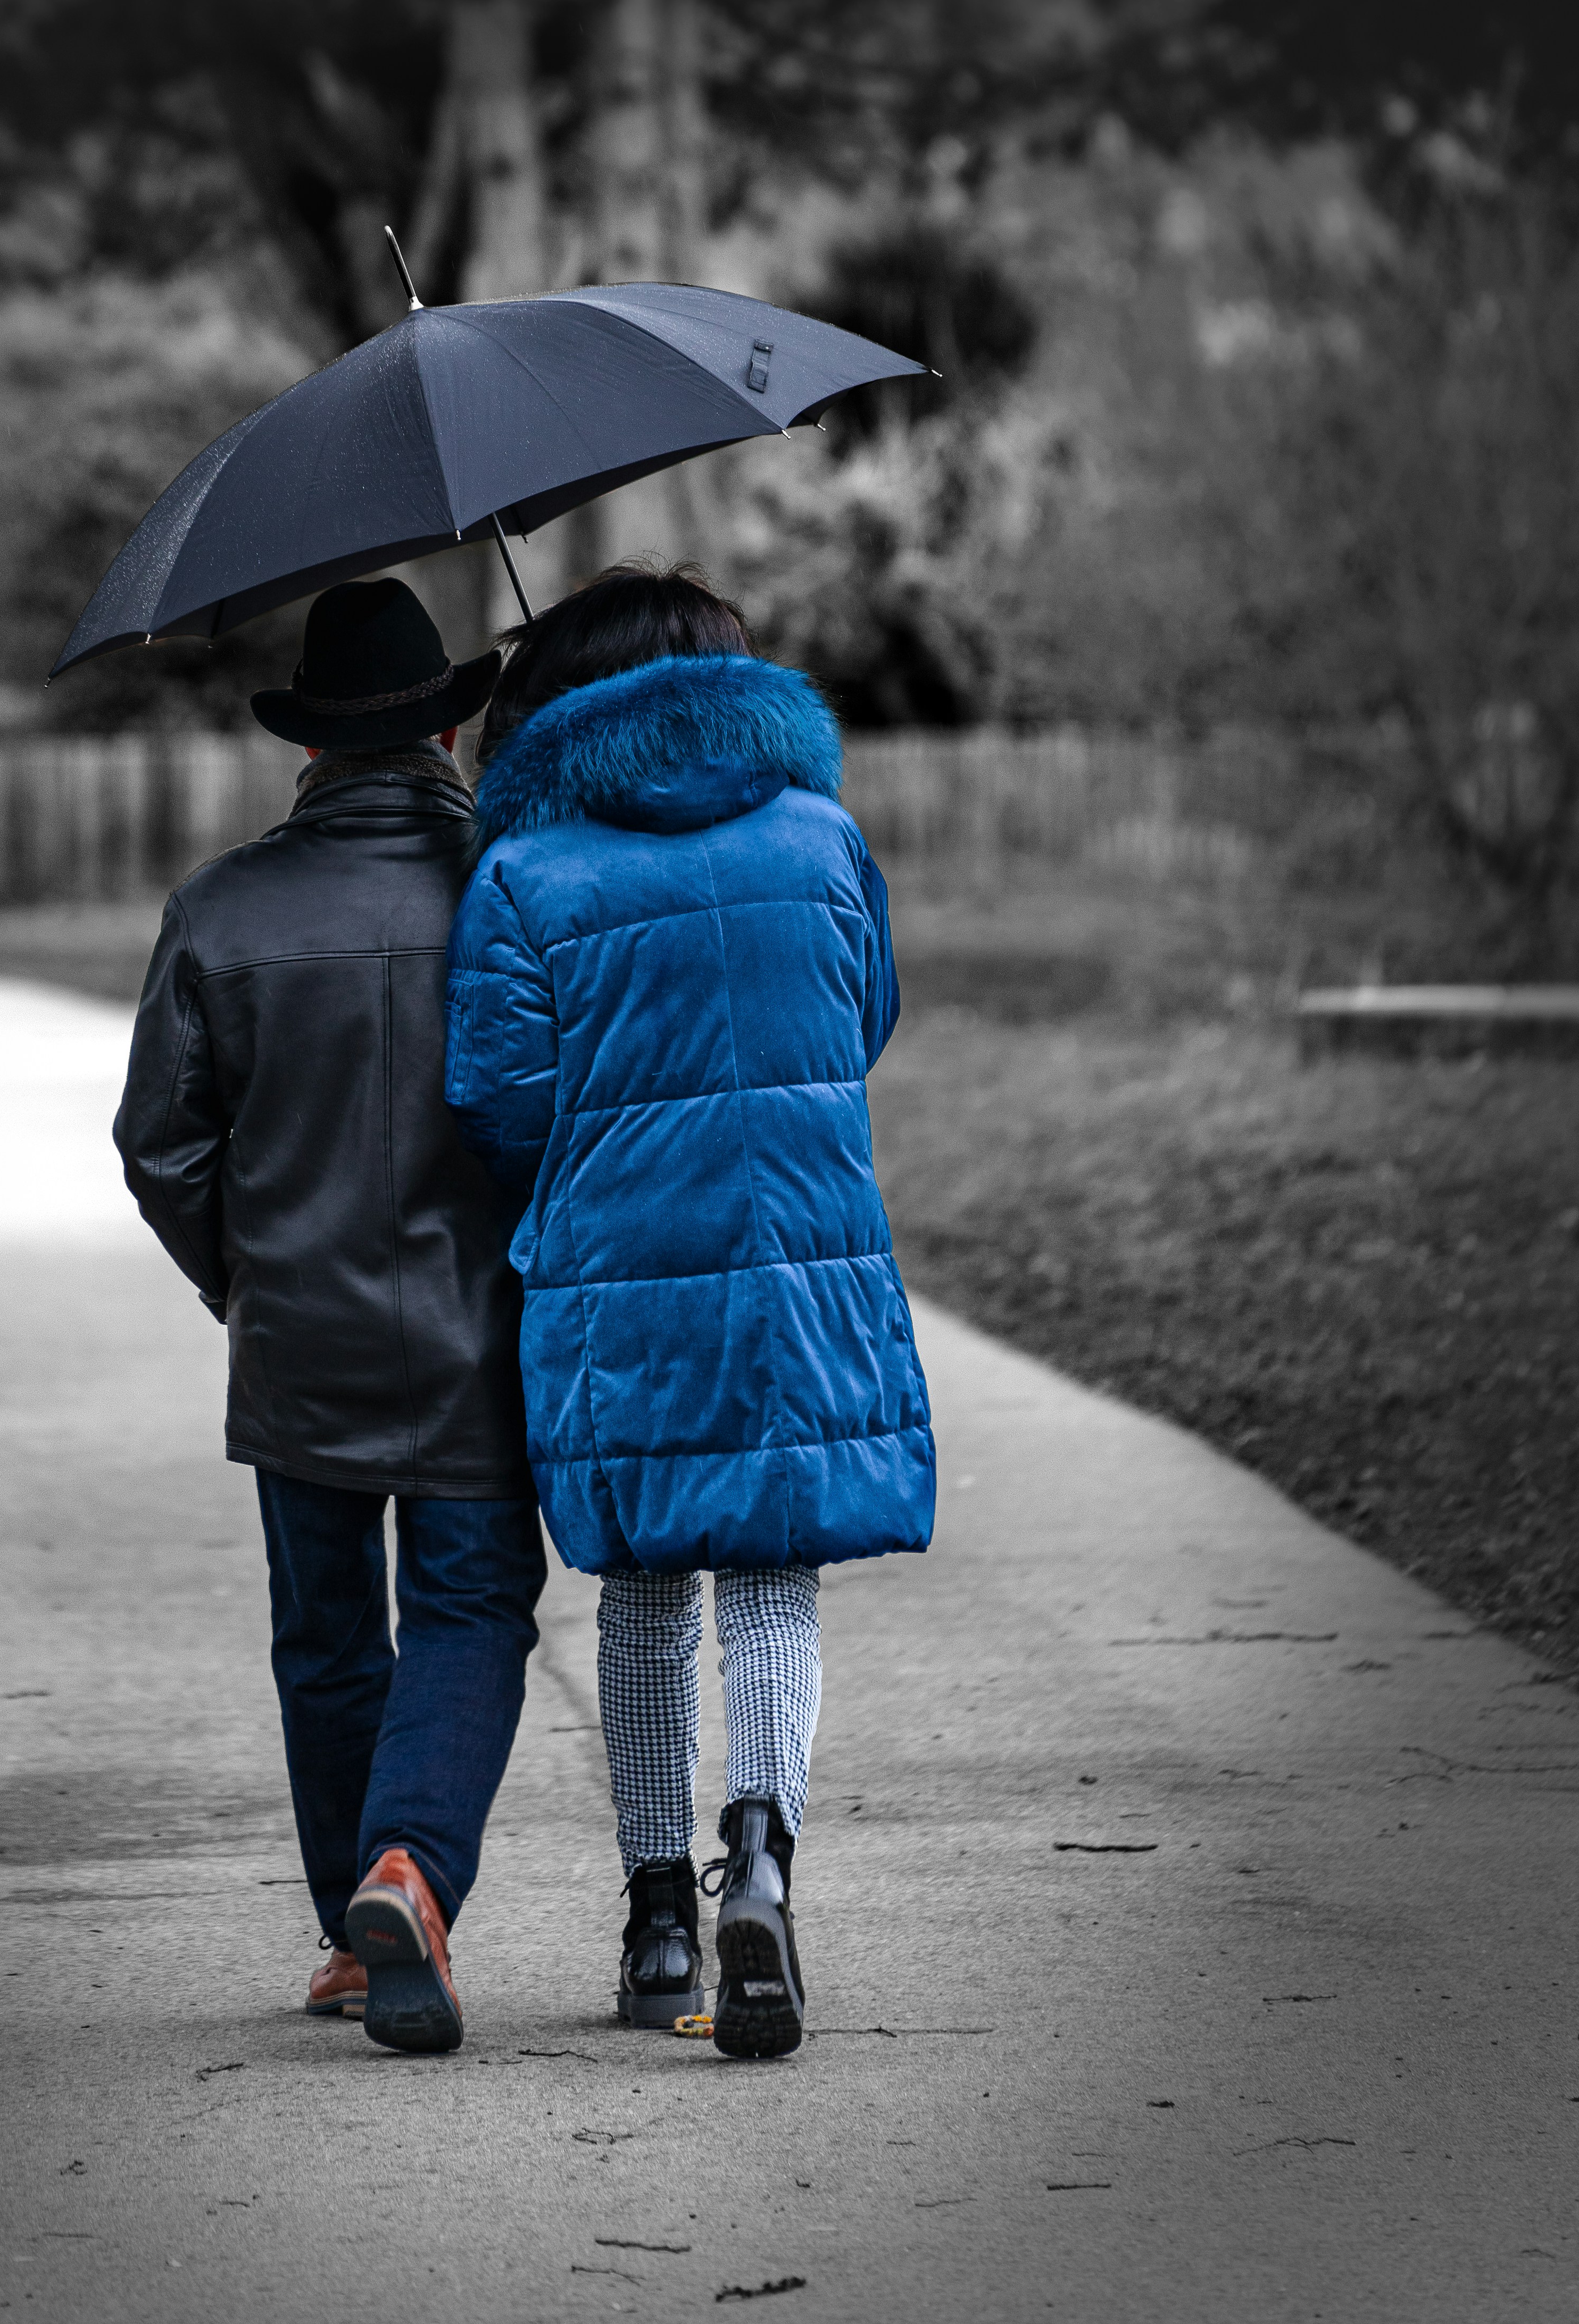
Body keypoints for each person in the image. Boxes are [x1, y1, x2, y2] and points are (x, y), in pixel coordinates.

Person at [444, 564, 934, 2058]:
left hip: (616, 1280)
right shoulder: (823, 837)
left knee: (645, 1594)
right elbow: (865, 1018)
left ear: (571, 695)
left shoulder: (528, 872)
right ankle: (763, 1864)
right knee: (773, 1578)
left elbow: (496, 1095)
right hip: (799, 1262)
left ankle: (660, 1913)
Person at [114, 576, 546, 2057]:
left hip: (296, 1341)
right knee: (474, 1606)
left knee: (326, 1637)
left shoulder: (220, 908)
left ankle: (354, 1938)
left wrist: (246, 1276)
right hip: (485, 1342)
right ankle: (409, 1868)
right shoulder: (516, 883)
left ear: (308, 750)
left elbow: (159, 1143)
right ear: (444, 726)